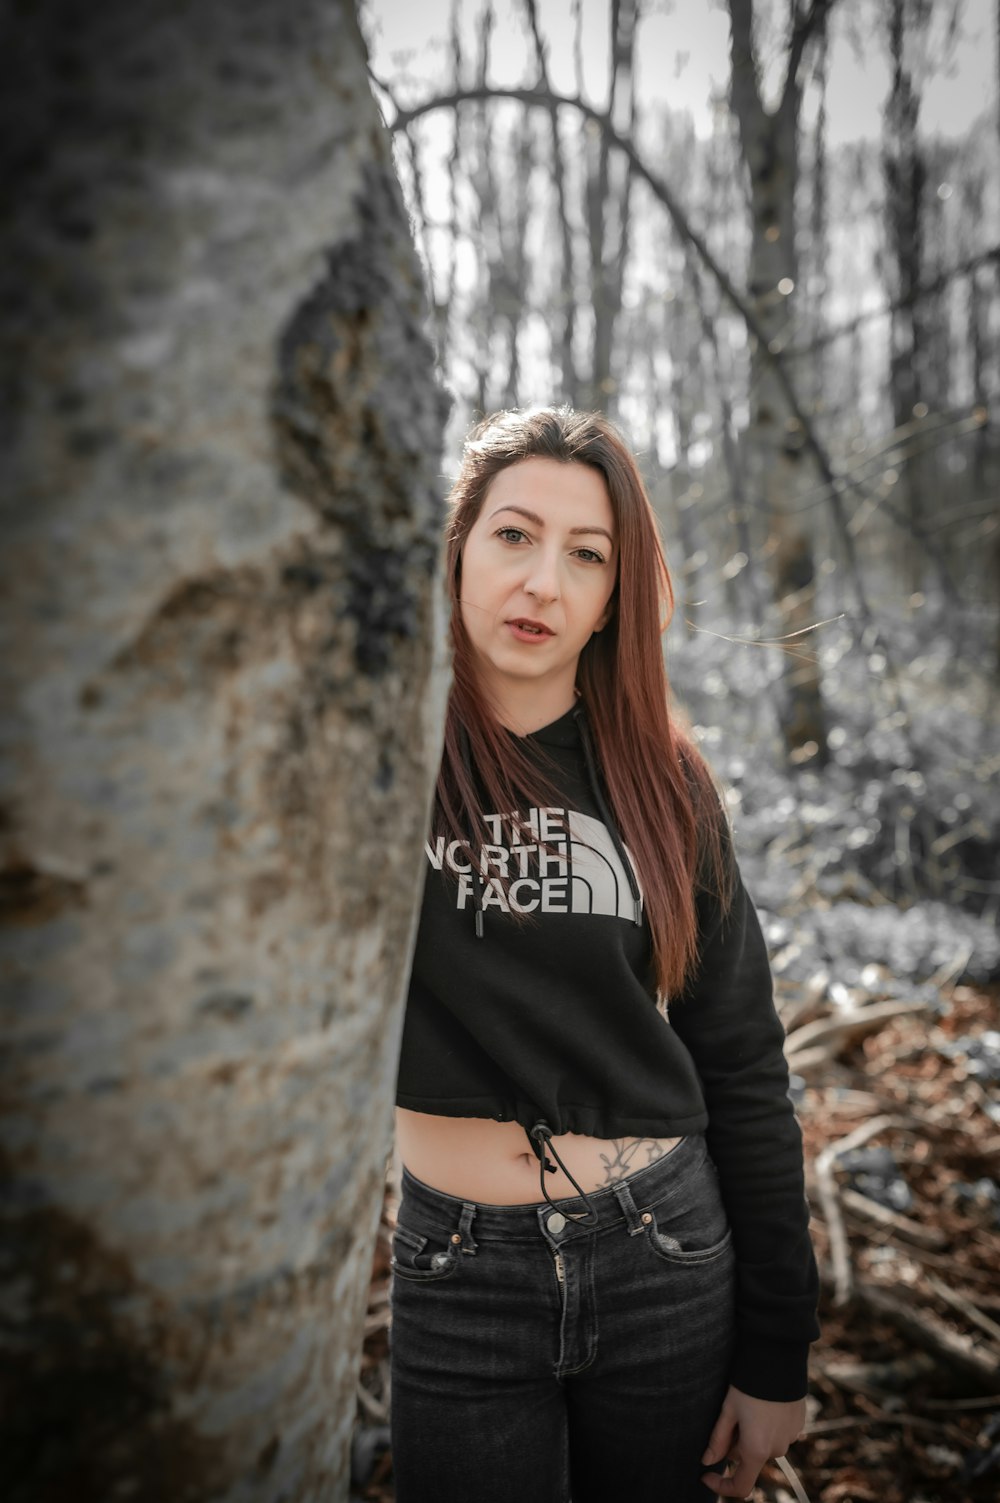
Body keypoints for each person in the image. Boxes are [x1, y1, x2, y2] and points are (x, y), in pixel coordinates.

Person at [390, 407, 819, 1503]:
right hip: (456, 1269)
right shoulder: (378, 761)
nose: (543, 583)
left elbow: (741, 1063)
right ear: (457, 550)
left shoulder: (662, 782)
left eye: (587, 556)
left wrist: (778, 1353)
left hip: (661, 1255)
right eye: (513, 536)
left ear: (615, 598)